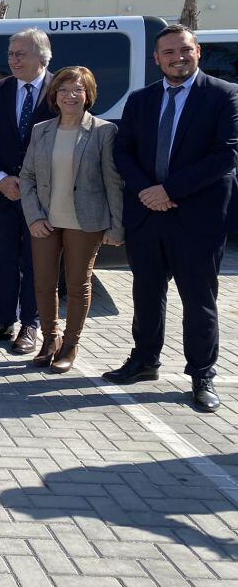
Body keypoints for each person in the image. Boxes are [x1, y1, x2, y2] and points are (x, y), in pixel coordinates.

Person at [105, 24, 238, 412]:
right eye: (168, 52)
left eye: (184, 50)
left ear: (198, 52)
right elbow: (123, 151)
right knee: (146, 294)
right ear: (156, 58)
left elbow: (226, 155)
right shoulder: (141, 100)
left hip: (197, 219)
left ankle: (201, 375)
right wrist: (148, 190)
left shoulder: (224, 95)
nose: (177, 57)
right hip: (147, 215)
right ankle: (145, 360)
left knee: (198, 299)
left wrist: (169, 191)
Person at [19, 66, 124, 373]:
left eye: (78, 89)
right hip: (46, 221)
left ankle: (70, 345)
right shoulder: (42, 130)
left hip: (85, 221)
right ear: (55, 95)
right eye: (63, 90)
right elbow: (26, 177)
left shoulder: (104, 131)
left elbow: (112, 182)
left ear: (88, 94)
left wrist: (116, 226)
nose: (70, 95)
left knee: (78, 285)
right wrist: (34, 216)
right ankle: (50, 339)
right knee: (43, 283)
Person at [0, 27, 54, 355]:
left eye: (21, 54)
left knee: (36, 263)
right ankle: (3, 321)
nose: (13, 60)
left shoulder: (59, 90)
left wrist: (30, 183)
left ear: (42, 56)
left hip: (43, 196)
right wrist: (0, 178)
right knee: (2, 260)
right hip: (1, 193)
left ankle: (30, 325)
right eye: (11, 54)